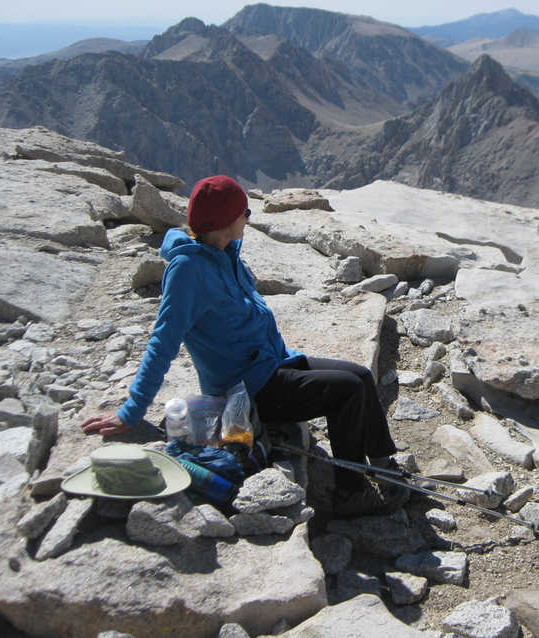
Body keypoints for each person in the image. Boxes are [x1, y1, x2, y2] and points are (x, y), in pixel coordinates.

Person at [82, 175, 406, 516]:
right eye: (244, 213)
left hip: (272, 362)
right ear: (225, 221)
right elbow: (162, 342)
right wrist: (129, 412)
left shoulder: (225, 251)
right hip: (248, 389)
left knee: (359, 376)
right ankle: (350, 492)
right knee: (347, 391)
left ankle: (384, 466)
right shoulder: (188, 271)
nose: (248, 219)